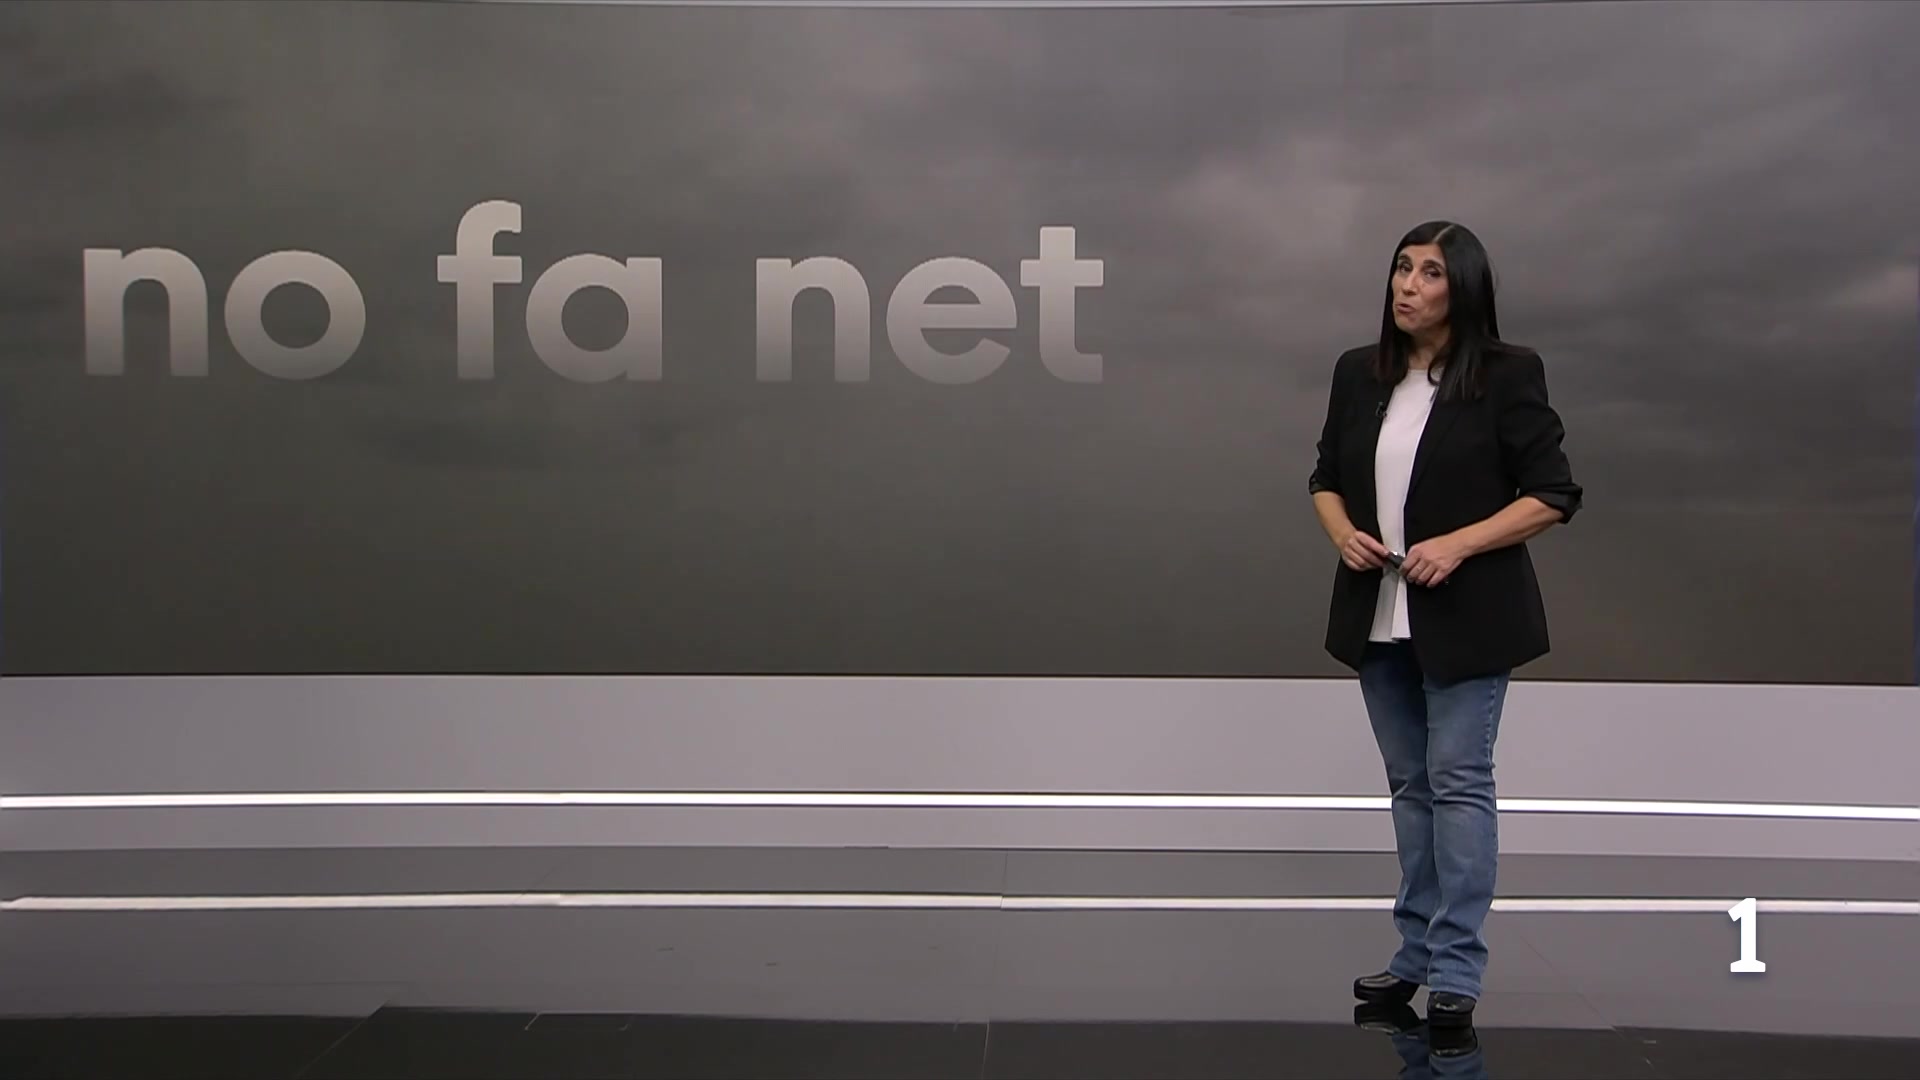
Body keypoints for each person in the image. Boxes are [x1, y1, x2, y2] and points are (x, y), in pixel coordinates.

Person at [1307, 220, 1582, 1029]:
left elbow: (1553, 494)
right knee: (1411, 788)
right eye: (1402, 268)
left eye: (1429, 272)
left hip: (1469, 619)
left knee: (1458, 783)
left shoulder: (1506, 374)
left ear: (1463, 289)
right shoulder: (1359, 372)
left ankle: (1457, 967)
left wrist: (1458, 545)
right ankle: (1414, 956)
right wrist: (1342, 534)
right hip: (1377, 617)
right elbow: (1325, 476)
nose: (1408, 285)